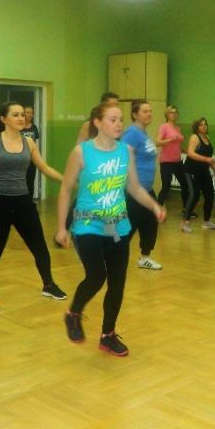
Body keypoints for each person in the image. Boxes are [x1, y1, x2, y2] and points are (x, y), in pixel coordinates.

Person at [56, 102, 166, 356]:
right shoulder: (81, 152)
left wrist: (154, 206)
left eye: (120, 120)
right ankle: (74, 313)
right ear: (97, 122)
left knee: (117, 283)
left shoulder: (125, 151)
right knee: (96, 276)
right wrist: (61, 227)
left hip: (117, 227)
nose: (118, 124)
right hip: (87, 225)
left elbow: (134, 187)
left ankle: (108, 335)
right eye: (112, 119)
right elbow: (65, 189)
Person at [0, 101, 65, 314]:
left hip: (22, 201)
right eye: (16, 115)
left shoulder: (29, 142)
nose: (21, 118)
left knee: (39, 246)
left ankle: (48, 284)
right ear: (4, 119)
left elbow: (44, 167)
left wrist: (67, 180)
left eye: (22, 114)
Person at [121, 100, 163, 270]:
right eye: (145, 111)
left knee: (150, 223)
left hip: (147, 189)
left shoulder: (143, 134)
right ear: (135, 114)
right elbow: (124, 157)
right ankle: (111, 257)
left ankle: (145, 257)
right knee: (128, 227)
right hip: (134, 191)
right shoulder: (132, 133)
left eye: (150, 111)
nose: (149, 114)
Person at [181, 117, 215, 233]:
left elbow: (208, 159)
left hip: (204, 172)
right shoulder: (195, 137)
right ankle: (185, 222)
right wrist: (206, 159)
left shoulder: (207, 138)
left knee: (210, 195)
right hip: (191, 171)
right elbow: (190, 153)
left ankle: (206, 221)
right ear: (197, 127)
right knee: (194, 195)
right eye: (201, 125)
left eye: (205, 124)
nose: (204, 126)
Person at [156, 105, 189, 210]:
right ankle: (156, 210)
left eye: (175, 113)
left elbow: (177, 146)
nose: (174, 114)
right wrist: (170, 140)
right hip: (166, 162)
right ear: (167, 114)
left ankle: (186, 209)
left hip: (177, 161)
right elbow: (158, 142)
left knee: (185, 184)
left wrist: (187, 151)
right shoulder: (164, 127)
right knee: (166, 186)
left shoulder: (178, 128)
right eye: (171, 112)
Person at [22, 106, 40, 198]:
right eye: (27, 112)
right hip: (21, 158)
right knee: (21, 181)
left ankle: (29, 200)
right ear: (23, 113)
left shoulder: (34, 127)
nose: (29, 114)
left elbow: (36, 143)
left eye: (31, 113)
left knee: (30, 180)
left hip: (32, 159)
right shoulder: (19, 127)